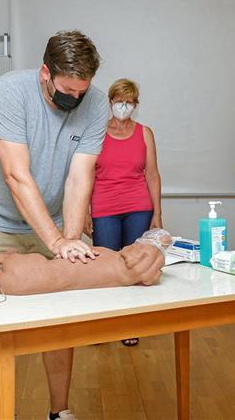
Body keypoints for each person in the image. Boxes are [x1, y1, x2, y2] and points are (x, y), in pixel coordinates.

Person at [0, 30, 109, 420]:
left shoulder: (95, 102)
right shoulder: (10, 91)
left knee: (60, 319)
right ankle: (3, 412)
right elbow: (16, 175)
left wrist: (71, 240)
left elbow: (80, 178)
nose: (75, 99)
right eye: (67, 90)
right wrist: (57, 241)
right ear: (45, 72)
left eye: (82, 91)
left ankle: (59, 412)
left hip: (56, 216)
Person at [88, 78, 162, 346]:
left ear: (136, 105)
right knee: (106, 266)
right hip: (104, 206)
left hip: (138, 206)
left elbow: (152, 174)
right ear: (110, 102)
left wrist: (157, 213)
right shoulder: (96, 131)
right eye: (119, 101)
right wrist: (84, 212)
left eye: (129, 102)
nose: (124, 106)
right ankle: (104, 325)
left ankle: (130, 325)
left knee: (134, 264)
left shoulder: (144, 133)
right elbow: (86, 175)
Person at [0, 229, 170, 296]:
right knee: (44, 273)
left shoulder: (123, 260)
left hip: (22, 276)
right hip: (20, 281)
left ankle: (3, 262)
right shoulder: (129, 276)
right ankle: (0, 276)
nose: (135, 245)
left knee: (42, 268)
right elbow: (152, 276)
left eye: (139, 246)